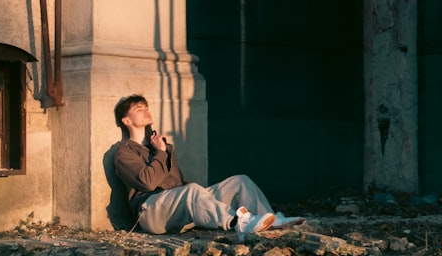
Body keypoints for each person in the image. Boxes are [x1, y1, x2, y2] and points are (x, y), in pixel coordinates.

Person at [112, 94, 303, 240]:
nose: (146, 111)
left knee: (240, 181)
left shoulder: (160, 146)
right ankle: (238, 223)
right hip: (151, 213)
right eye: (139, 109)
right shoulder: (124, 152)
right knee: (191, 191)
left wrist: (162, 150)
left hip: (179, 208)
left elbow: (178, 182)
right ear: (126, 121)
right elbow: (147, 183)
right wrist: (161, 153)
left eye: (146, 107)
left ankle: (269, 220)